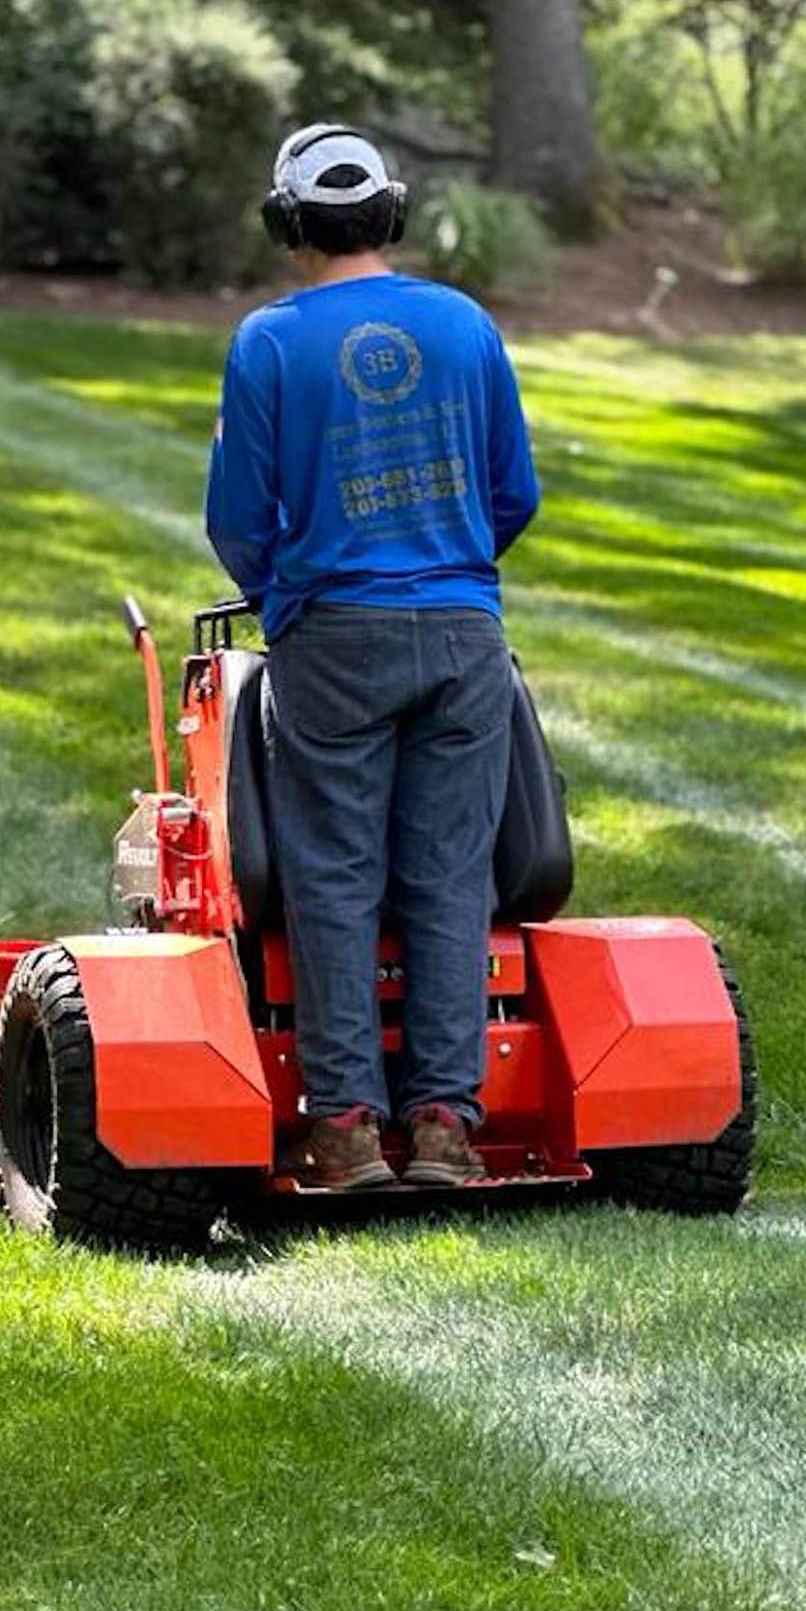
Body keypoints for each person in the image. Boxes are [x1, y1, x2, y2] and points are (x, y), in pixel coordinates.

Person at [205, 122, 540, 1191]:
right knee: (451, 876)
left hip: (330, 638)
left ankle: (346, 1128)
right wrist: (446, 570)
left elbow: (238, 518)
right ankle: (445, 1124)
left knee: (334, 876)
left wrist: (289, 602)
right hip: (461, 635)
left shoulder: (268, 342)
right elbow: (513, 493)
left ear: (288, 223)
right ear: (389, 214)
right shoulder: (464, 324)